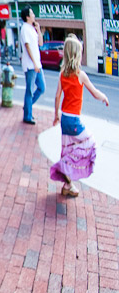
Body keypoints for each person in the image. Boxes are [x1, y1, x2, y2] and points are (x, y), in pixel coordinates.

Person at [51, 35, 109, 197]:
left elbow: (57, 96)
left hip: (64, 119)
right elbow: (94, 92)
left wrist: (56, 115)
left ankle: (67, 185)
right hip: (74, 120)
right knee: (90, 143)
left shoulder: (62, 74)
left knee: (67, 150)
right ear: (76, 55)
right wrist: (104, 97)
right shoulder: (80, 74)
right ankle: (66, 173)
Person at [20, 6, 45, 124]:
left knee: (41, 87)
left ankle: (27, 107)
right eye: (32, 13)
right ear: (27, 17)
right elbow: (27, 46)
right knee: (29, 90)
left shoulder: (32, 29)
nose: (34, 15)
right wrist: (35, 63)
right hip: (30, 65)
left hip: (37, 64)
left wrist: (38, 30)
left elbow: (40, 43)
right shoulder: (24, 28)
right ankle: (27, 116)